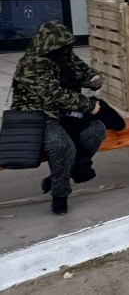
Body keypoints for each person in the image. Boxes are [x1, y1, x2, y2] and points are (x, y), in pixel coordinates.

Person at [10, 21, 106, 215]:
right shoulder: (32, 64)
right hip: (37, 116)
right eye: (60, 45)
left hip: (63, 113)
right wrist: (87, 105)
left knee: (97, 130)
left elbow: (84, 70)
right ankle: (60, 195)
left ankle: (57, 177)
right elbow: (53, 94)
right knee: (62, 146)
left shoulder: (65, 57)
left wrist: (95, 79)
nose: (65, 49)